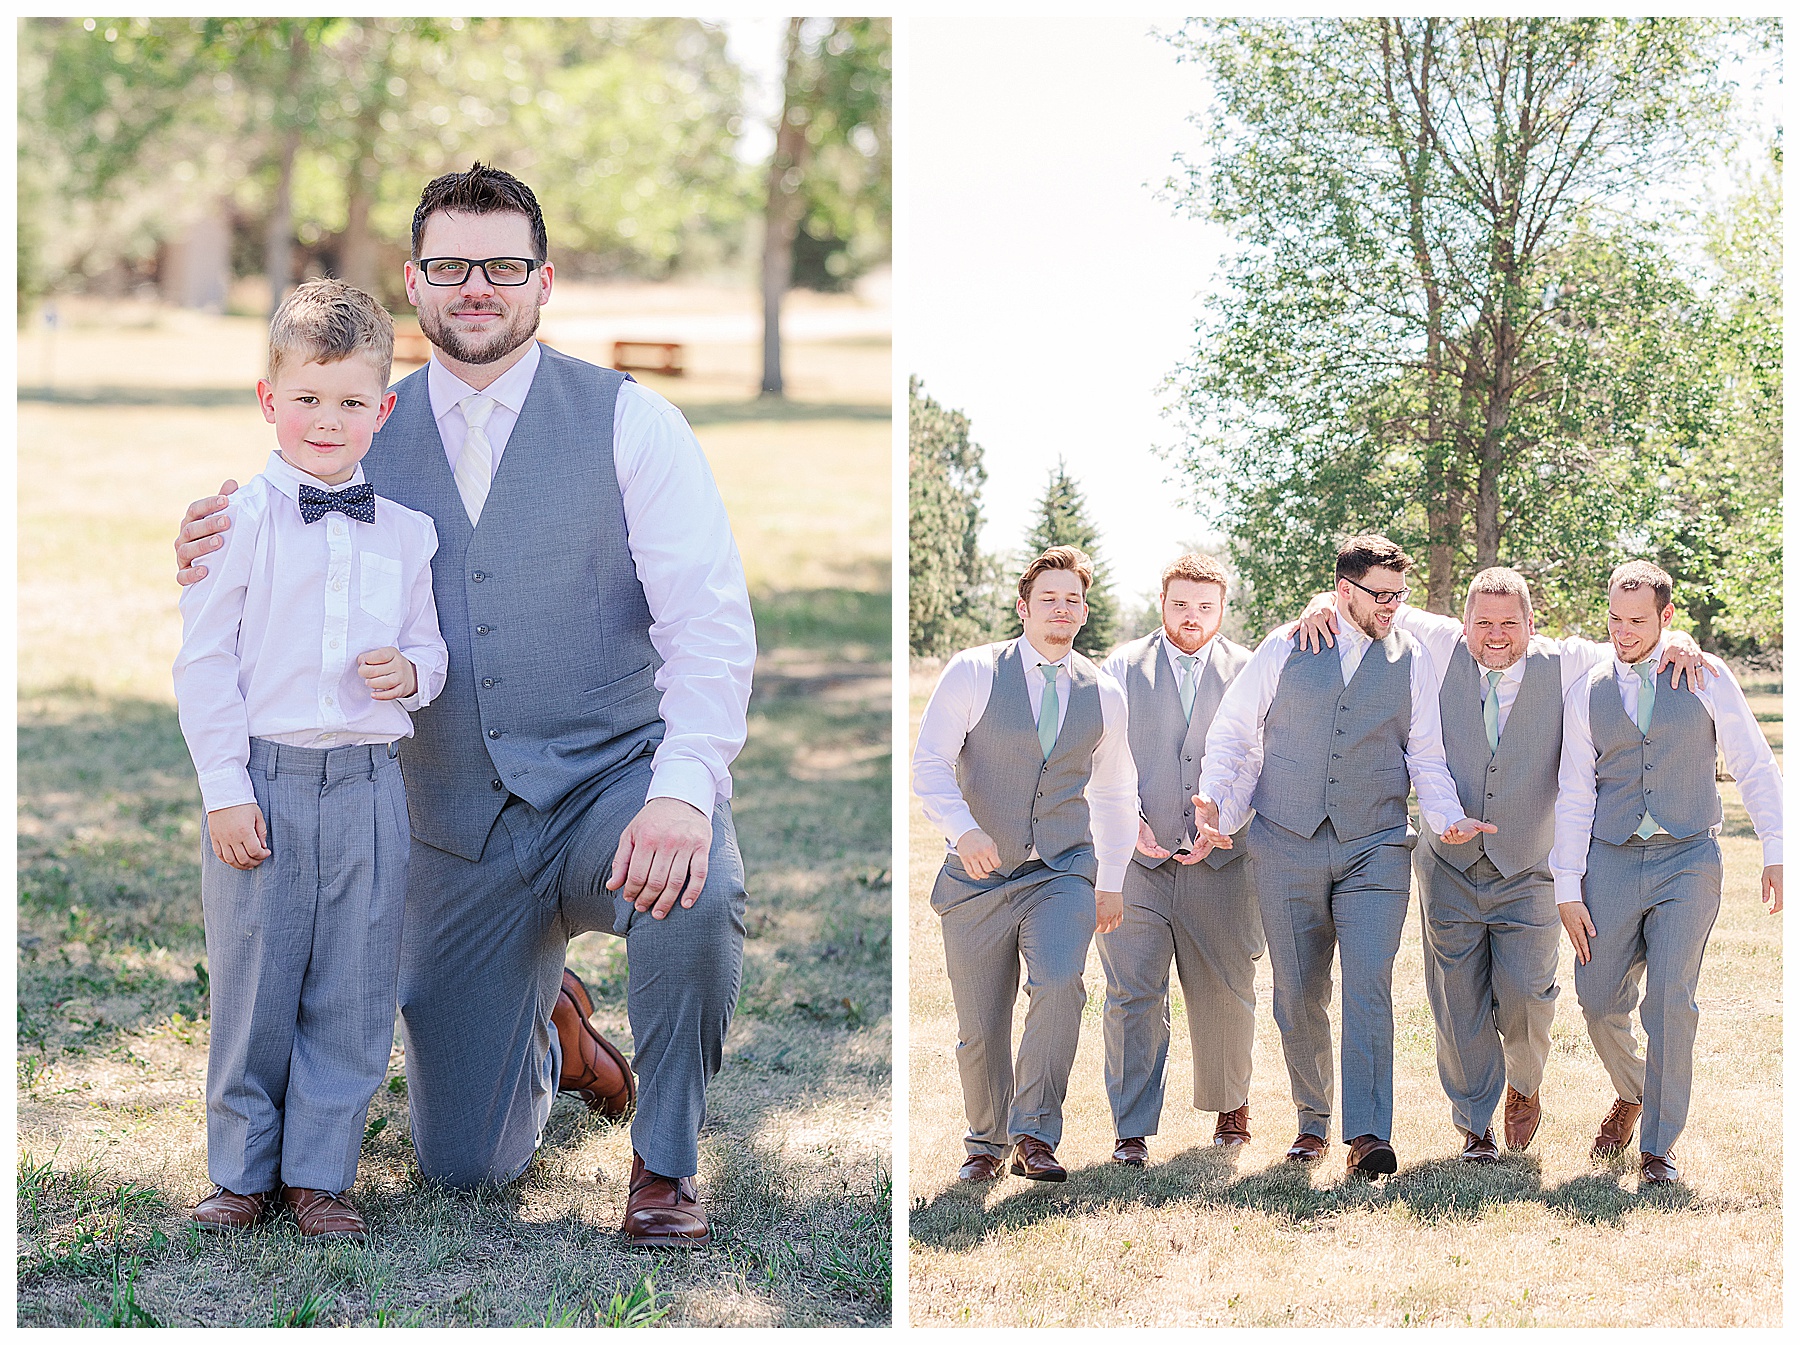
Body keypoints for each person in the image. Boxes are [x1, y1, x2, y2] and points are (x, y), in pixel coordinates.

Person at [176, 164, 754, 1248]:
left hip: (605, 791)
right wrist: (204, 544)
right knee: (465, 1164)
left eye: (502, 265)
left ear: (545, 282)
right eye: (450, 266)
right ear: (414, 281)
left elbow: (711, 626)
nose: (475, 285)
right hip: (443, 829)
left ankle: (666, 1166)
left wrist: (682, 793)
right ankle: (558, 1027)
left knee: (698, 882)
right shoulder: (352, 425)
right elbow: (260, 559)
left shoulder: (633, 423)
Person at [174, 279, 449, 1240]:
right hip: (268, 780)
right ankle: (240, 1170)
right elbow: (204, 659)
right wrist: (224, 791)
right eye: (307, 398)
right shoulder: (236, 519)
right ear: (268, 400)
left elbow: (436, 650)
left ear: (382, 407)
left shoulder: (410, 534)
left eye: (349, 402)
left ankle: (321, 1175)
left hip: (373, 787)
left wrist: (409, 671)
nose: (327, 421)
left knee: (354, 983)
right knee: (254, 976)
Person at [1289, 568, 1703, 1162]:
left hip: (1531, 867)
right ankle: (1474, 1127)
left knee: (1530, 997)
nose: (1497, 634)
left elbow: (1641, 636)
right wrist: (1315, 605)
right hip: (1448, 866)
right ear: (1463, 623)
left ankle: (1526, 1084)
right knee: (1456, 1001)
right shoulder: (1434, 642)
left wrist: (1682, 640)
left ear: (1533, 625)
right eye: (1483, 622)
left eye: (1511, 623)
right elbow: (1361, 598)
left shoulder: (1567, 662)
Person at [1193, 534, 1489, 1178]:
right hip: (1284, 840)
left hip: (1375, 844)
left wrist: (1447, 817)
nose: (1392, 607)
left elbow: (1426, 753)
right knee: (1297, 992)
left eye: (1399, 595)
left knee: (1369, 985)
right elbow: (1236, 732)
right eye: (1379, 595)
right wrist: (1216, 799)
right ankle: (1311, 1120)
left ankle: (1369, 1134)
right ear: (1343, 591)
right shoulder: (1286, 645)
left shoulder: (1414, 658)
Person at [1551, 560, 1782, 1185]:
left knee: (1671, 1001)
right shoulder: (1588, 688)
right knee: (1597, 1000)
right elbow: (1575, 791)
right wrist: (1567, 887)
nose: (1623, 632)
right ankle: (1633, 1092)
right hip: (1611, 858)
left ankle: (1658, 1147)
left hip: (1688, 858)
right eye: (1615, 619)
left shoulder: (1704, 676)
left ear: (1667, 618)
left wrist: (1776, 847)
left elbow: (1753, 762)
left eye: (1637, 621)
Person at [912, 546, 1137, 1182]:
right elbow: (929, 764)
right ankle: (984, 1143)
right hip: (977, 878)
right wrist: (964, 831)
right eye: (1049, 599)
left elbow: (1117, 791)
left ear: (1084, 612)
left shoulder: (1104, 693)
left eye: (1072, 600)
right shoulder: (974, 672)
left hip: (1061, 870)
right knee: (981, 1024)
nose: (1061, 610)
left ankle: (1035, 1134)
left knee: (1062, 982)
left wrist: (1112, 881)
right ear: (1024, 607)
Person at [1097, 554, 1260, 1166]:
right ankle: (1131, 1129)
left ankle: (1230, 1110)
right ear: (1162, 603)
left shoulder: (1249, 670)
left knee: (1227, 987)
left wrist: (1228, 823)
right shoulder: (1119, 668)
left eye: (1206, 606)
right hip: (1137, 863)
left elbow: (1257, 758)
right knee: (1133, 992)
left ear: (1223, 608)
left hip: (1223, 863)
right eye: (1181, 605)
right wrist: (1126, 821)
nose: (1193, 617)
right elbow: (1100, 758)